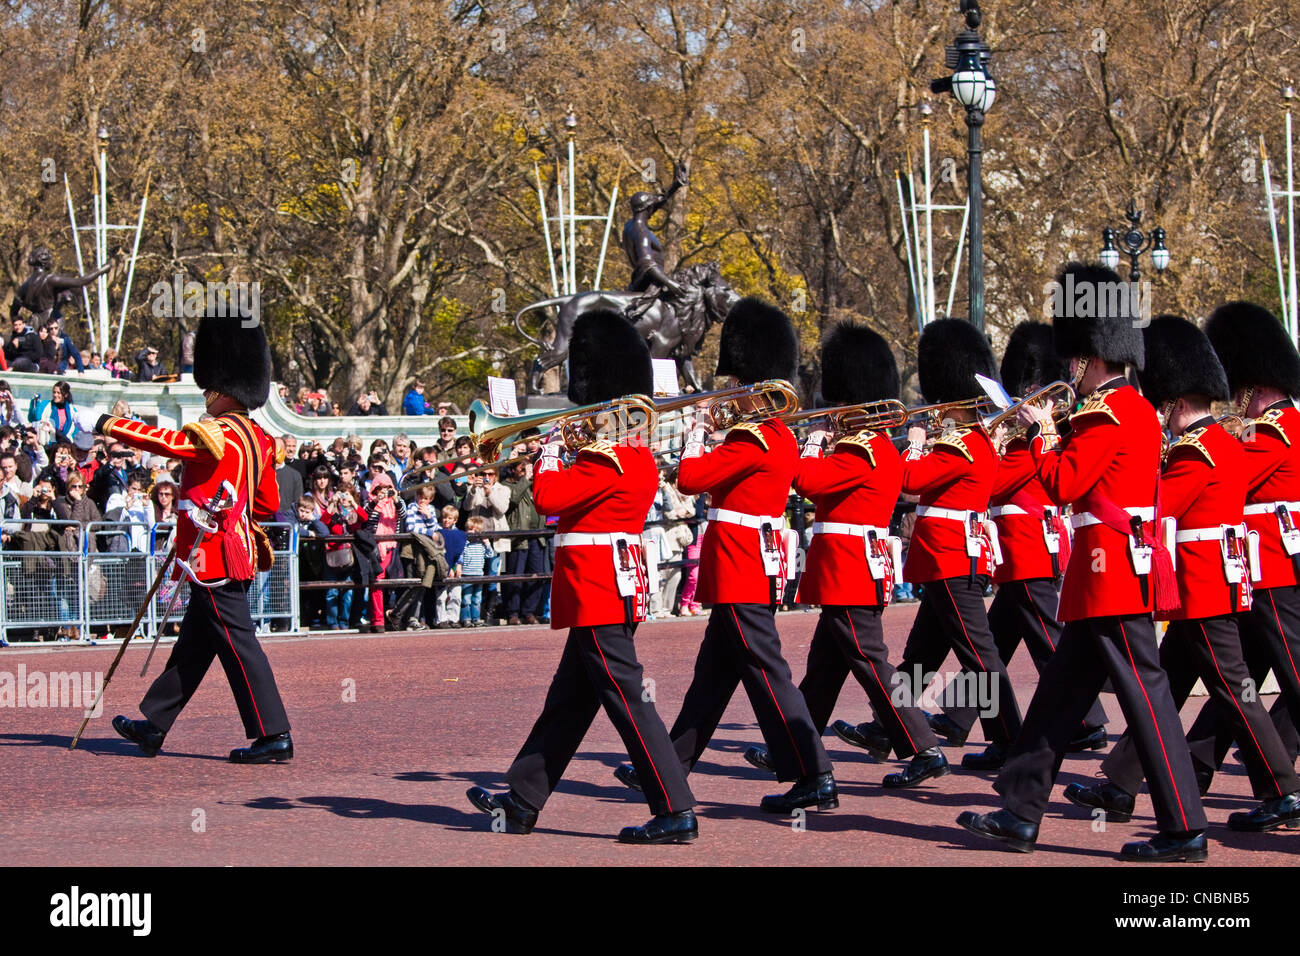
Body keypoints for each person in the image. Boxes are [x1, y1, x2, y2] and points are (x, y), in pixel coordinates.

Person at [958, 263, 1208, 861]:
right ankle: (1020, 810)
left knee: (1146, 700)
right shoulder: (1139, 409)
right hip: (1112, 570)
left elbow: (1065, 483)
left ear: (1088, 353)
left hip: (1109, 571)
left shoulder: (1104, 412)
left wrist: (1041, 433)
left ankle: (1184, 828)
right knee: (1058, 697)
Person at [1064, 313, 1300, 833]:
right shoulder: (1219, 442)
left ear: (1174, 401)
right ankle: (1120, 784)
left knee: (1234, 688)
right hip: (1202, 585)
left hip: (1203, 588)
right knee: (1165, 685)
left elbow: (1158, 506)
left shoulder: (1199, 451)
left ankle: (1282, 788)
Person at [468, 310, 697, 843]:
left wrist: (549, 450)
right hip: (604, 583)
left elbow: (548, 498)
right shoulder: (628, 452)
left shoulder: (608, 457)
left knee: (628, 699)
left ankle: (675, 807)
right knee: (570, 698)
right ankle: (523, 799)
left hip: (596, 586)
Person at [617, 297, 837, 813]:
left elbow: (691, 478)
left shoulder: (752, 436)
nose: (725, 392)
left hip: (740, 565)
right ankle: (670, 763)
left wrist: (695, 428)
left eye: (732, 382)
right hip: (745, 561)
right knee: (712, 678)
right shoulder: (779, 435)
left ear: (749, 382)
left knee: (767, 672)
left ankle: (814, 771)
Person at [746, 321, 949, 787]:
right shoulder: (874, 446)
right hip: (851, 564)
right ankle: (796, 747)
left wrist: (815, 440)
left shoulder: (860, 450)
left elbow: (808, 481)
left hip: (849, 567)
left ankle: (923, 746)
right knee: (824, 669)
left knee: (871, 661)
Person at [102, 312, 293, 764]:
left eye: (209, 389)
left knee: (237, 641)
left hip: (214, 555)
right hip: (233, 549)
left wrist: (113, 425)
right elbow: (265, 504)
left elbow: (172, 445)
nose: (205, 397)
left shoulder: (217, 432)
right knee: (196, 642)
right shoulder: (261, 439)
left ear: (223, 389)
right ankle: (154, 725)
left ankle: (273, 733)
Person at [923, 322, 1108, 753]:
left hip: (1027, 545)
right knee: (996, 638)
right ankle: (959, 715)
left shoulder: (1036, 442)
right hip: (1012, 546)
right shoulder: (1028, 438)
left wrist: (992, 444)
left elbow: (993, 484)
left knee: (1049, 639)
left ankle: (1087, 718)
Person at [887, 318, 1024, 771]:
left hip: (950, 557)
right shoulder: (972, 440)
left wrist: (915, 442)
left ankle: (1011, 741)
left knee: (980, 657)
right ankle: (890, 720)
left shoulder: (961, 443)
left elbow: (910, 481)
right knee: (921, 655)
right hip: (943, 558)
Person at [1183, 301, 1300, 790]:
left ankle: (1274, 782)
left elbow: (1232, 476)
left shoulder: (1275, 429)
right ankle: (1197, 762)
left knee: (1291, 673)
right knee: (1237, 675)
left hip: (1270, 563)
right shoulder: (1281, 424)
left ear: (1257, 384)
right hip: (1259, 563)